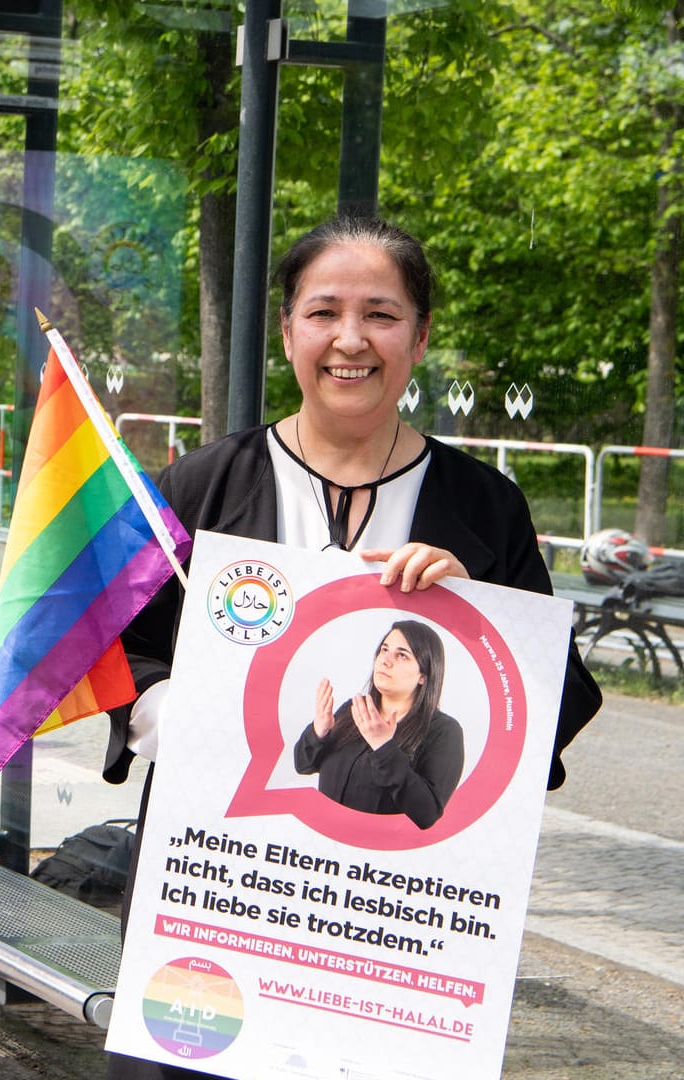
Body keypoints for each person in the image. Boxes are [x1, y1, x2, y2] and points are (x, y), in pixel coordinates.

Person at [99, 216, 600, 1079]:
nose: (351, 340)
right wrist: (185, 712)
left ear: (421, 335)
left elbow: (551, 698)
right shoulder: (201, 485)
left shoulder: (482, 509)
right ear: (288, 329)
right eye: (324, 312)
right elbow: (118, 650)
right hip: (218, 896)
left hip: (391, 929)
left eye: (382, 314)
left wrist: (476, 619)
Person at [294, 619, 462, 829]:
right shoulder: (354, 709)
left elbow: (427, 813)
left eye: (402, 655)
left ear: (423, 675)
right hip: (321, 847)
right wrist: (320, 731)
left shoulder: (444, 731)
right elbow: (303, 765)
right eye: (384, 650)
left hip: (373, 856)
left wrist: (384, 748)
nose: (385, 660)